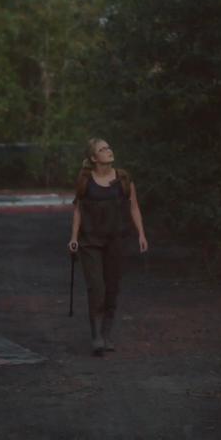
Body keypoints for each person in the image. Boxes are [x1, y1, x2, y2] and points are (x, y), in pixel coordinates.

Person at [68, 138, 148, 356]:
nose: (109, 151)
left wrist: (141, 233)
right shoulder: (85, 180)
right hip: (90, 242)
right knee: (97, 288)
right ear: (94, 158)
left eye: (109, 147)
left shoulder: (123, 178)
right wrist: (73, 237)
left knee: (112, 288)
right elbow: (78, 210)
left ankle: (106, 334)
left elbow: (134, 207)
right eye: (103, 149)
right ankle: (96, 337)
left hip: (116, 241)